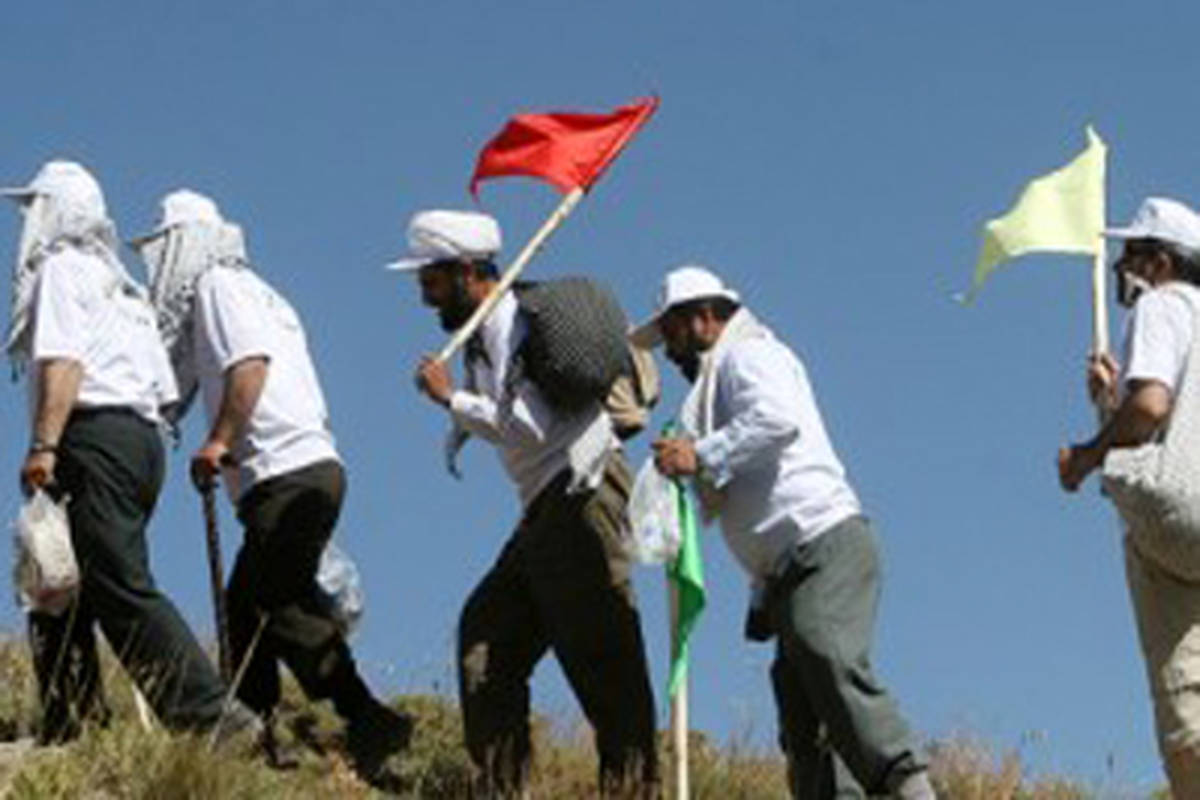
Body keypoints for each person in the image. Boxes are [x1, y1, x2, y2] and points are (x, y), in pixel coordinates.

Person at [132, 189, 411, 780]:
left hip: (286, 472)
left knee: (271, 602)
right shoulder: (256, 291)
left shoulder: (218, 287)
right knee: (247, 607)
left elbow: (249, 366)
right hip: (304, 469)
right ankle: (255, 734)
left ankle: (366, 717)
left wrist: (218, 441)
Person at [637, 265, 935, 799]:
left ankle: (907, 784)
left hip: (823, 543)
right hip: (787, 570)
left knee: (826, 651)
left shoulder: (749, 355)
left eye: (672, 334)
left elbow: (775, 420)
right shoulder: (718, 383)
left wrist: (700, 453)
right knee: (805, 716)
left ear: (703, 317)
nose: (670, 351)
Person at [400, 209, 659, 797]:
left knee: (600, 656)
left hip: (580, 493)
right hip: (546, 505)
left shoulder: (511, 324)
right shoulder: (483, 335)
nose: (424, 295)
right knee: (487, 638)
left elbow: (530, 426)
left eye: (431, 280)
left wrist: (451, 400)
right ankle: (500, 785)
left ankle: (635, 788)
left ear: (467, 272)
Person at [2, 161, 232, 743]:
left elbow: (64, 362)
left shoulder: (61, 269)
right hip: (139, 441)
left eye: (35, 208)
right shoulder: (126, 289)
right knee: (56, 582)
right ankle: (70, 722)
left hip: (91, 435)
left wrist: (44, 445)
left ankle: (209, 716)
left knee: (115, 580)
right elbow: (162, 388)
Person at [1058, 197, 1200, 794]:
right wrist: (1109, 399)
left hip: (1182, 519)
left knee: (1187, 707)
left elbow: (1150, 408)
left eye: (1132, 255)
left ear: (1160, 262)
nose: (1122, 268)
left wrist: (1087, 455)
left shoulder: (1162, 305)